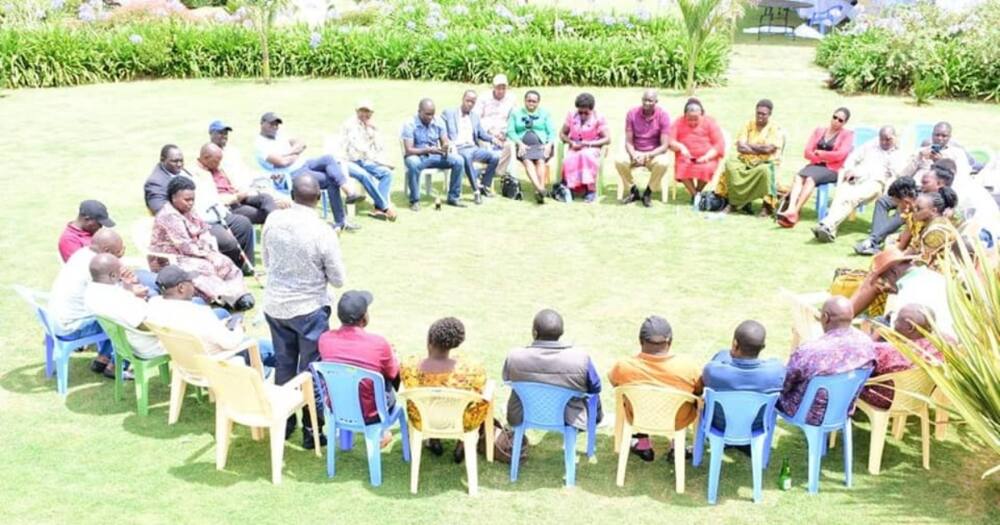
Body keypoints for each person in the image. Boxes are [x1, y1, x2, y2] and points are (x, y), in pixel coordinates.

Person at [262, 174, 345, 449]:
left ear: (292, 194)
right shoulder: (323, 231)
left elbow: (267, 260)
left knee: (284, 365)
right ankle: (312, 430)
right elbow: (338, 279)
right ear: (319, 197)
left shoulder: (273, 220)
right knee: (312, 371)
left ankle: (284, 422)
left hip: (275, 305)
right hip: (308, 309)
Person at [144, 144, 256, 273]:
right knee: (227, 242)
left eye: (181, 160)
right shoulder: (156, 182)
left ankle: (243, 267)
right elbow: (161, 210)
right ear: (162, 159)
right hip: (188, 225)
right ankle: (224, 269)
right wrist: (194, 218)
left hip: (210, 212)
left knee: (242, 224)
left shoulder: (184, 172)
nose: (179, 164)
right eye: (175, 161)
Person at [149, 176, 253, 311]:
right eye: (186, 200)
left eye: (192, 199)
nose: (190, 203)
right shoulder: (169, 215)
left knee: (224, 262)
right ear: (173, 198)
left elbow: (203, 229)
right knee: (205, 267)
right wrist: (207, 253)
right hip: (171, 257)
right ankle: (222, 298)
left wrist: (207, 246)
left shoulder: (189, 210)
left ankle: (239, 293)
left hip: (195, 251)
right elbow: (184, 245)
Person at [608, 315, 702, 461]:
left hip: (639, 417)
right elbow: (698, 391)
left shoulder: (623, 366)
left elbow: (614, 383)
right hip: (677, 420)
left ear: (640, 341)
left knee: (632, 398)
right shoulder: (688, 366)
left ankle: (643, 445)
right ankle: (677, 447)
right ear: (670, 341)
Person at [254, 112, 364, 232]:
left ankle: (349, 193)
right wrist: (295, 153)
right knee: (331, 181)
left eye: (276, 124)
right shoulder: (260, 144)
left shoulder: (279, 134)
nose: (275, 127)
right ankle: (341, 219)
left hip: (303, 164)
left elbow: (302, 143)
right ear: (262, 124)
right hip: (291, 174)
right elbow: (282, 163)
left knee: (328, 158)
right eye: (271, 124)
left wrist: (289, 154)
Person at [400, 316, 488, 462]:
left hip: (423, 419)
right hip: (461, 422)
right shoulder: (471, 369)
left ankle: (433, 439)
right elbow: (480, 392)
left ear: (429, 340)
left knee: (429, 400)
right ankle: (462, 443)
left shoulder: (410, 366)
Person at [318, 290, 397, 449]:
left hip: (338, 407)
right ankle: (384, 429)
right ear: (364, 318)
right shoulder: (379, 343)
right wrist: (391, 355)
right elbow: (393, 373)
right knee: (389, 376)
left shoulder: (325, 339)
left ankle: (346, 437)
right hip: (371, 413)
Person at [145, 266, 274, 364]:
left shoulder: (153, 305)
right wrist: (239, 328)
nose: (194, 285)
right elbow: (230, 343)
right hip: (215, 362)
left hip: (186, 362)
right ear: (181, 288)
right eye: (190, 281)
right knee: (268, 348)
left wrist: (221, 325)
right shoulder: (200, 313)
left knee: (223, 317)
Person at [779, 296, 875, 425]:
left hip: (805, 414)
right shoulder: (867, 344)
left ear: (825, 317)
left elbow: (784, 384)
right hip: (841, 410)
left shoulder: (810, 351)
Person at [502, 309, 603, 430]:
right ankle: (596, 419)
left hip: (524, 413)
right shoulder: (580, 359)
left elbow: (507, 379)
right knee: (592, 392)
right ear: (562, 332)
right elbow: (595, 387)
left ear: (534, 332)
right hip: (568, 418)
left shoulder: (514, 357)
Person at [49, 229, 128, 377]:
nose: (120, 256)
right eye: (118, 252)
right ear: (106, 250)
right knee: (125, 320)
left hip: (58, 319)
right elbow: (115, 299)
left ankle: (103, 359)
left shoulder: (82, 254)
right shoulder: (96, 268)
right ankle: (117, 367)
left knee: (108, 315)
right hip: (73, 328)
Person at [812, 125, 908, 242]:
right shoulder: (872, 144)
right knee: (841, 194)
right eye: (882, 139)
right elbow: (853, 157)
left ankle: (827, 225)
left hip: (876, 182)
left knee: (852, 198)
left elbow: (897, 175)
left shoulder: (900, 153)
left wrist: (887, 191)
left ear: (895, 138)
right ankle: (829, 229)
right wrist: (849, 169)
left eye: (888, 139)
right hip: (858, 176)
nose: (884, 142)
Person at [849, 246, 955, 338]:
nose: (887, 285)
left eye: (885, 279)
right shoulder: (935, 276)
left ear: (894, 272)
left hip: (931, 341)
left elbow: (897, 329)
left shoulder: (908, 292)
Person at [702, 320, 787, 433]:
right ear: (763, 347)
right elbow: (775, 363)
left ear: (735, 343)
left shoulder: (713, 370)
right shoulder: (777, 372)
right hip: (755, 427)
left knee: (723, 354)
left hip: (719, 426)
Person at [778, 107, 855, 228]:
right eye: (834, 117)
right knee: (798, 177)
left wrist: (822, 154)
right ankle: (791, 207)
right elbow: (807, 151)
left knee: (810, 179)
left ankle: (795, 211)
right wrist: (820, 157)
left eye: (840, 120)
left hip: (832, 169)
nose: (836, 121)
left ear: (845, 123)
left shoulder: (847, 135)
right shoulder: (819, 131)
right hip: (815, 165)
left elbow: (841, 155)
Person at [859, 305, 943, 409]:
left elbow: (861, 360)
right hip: (919, 397)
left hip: (885, 399)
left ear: (910, 327)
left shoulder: (886, 350)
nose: (893, 323)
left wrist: (874, 337)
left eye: (898, 320)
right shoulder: (941, 347)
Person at [84, 253, 163, 359]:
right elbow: (145, 325)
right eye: (120, 271)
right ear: (112, 275)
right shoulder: (119, 300)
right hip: (147, 346)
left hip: (125, 343)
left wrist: (128, 288)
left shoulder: (92, 291)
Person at [718, 99, 783, 215]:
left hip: (765, 162)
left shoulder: (775, 128)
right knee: (731, 166)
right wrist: (760, 148)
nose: (760, 116)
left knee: (765, 171)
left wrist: (749, 146)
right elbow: (740, 147)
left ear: (770, 115)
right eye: (758, 113)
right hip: (745, 160)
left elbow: (769, 150)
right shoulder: (748, 125)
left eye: (764, 114)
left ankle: (766, 207)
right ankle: (734, 202)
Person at [194, 142, 282, 226]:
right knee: (261, 213)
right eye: (216, 161)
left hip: (240, 196)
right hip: (228, 206)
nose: (219, 164)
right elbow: (212, 200)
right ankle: (278, 225)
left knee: (266, 198)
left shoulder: (218, 168)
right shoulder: (196, 174)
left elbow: (237, 182)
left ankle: (277, 221)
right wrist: (235, 197)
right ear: (206, 158)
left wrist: (243, 191)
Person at [402, 98, 466, 211]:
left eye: (432, 114)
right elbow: (409, 150)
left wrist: (445, 146)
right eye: (427, 114)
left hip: (435, 155)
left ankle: (453, 197)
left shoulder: (438, 121)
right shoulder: (410, 124)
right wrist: (427, 150)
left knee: (459, 160)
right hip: (418, 156)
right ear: (419, 111)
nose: (430, 117)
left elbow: (445, 140)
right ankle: (415, 201)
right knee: (413, 162)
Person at [340, 99, 397, 221]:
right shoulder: (350, 125)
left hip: (365, 161)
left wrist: (375, 130)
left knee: (387, 173)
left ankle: (378, 209)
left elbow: (379, 147)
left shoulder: (370, 125)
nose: (365, 114)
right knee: (365, 175)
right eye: (362, 111)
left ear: (372, 113)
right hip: (348, 161)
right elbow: (361, 148)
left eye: (368, 111)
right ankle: (385, 207)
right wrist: (383, 162)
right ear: (356, 111)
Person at [443, 90, 501, 205]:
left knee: (495, 156)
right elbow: (442, 131)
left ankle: (485, 185)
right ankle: (476, 191)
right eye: (468, 101)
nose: (469, 104)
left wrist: (493, 139)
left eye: (472, 102)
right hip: (458, 148)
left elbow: (481, 133)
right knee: (467, 156)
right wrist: (447, 142)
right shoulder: (449, 113)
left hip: (473, 147)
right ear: (463, 99)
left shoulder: (474, 116)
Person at [615, 89, 672, 208]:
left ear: (656, 101)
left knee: (663, 163)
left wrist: (649, 155)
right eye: (644, 100)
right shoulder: (632, 113)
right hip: (635, 152)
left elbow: (664, 145)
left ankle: (648, 193)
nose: (647, 103)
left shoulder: (663, 115)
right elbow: (628, 141)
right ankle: (633, 190)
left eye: (650, 100)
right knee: (619, 160)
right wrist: (634, 154)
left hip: (653, 153)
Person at [668, 98, 725, 201]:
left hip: (707, 156)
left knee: (706, 168)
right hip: (686, 156)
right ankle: (695, 195)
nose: (693, 122)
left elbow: (719, 144)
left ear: (701, 115)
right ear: (685, 115)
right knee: (682, 166)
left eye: (696, 119)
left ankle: (698, 191)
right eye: (690, 119)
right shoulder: (678, 122)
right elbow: (670, 140)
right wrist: (681, 147)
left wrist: (706, 157)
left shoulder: (710, 122)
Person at [558, 92, 610, 203]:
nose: (582, 115)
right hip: (575, 146)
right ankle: (571, 187)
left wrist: (587, 144)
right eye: (580, 112)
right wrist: (571, 142)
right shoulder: (571, 115)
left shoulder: (599, 117)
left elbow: (607, 139)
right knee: (569, 158)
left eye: (586, 113)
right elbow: (562, 134)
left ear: (592, 109)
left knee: (585, 155)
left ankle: (590, 189)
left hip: (592, 146)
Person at [508, 90, 556, 204]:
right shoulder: (516, 113)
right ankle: (540, 189)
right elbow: (510, 131)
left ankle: (539, 189)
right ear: (525, 101)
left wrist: (548, 145)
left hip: (541, 145)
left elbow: (552, 132)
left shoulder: (545, 113)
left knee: (540, 160)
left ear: (538, 102)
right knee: (527, 161)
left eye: (534, 101)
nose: (531, 103)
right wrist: (519, 143)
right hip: (523, 146)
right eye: (529, 101)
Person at [902, 189, 960, 270]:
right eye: (914, 207)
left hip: (937, 273)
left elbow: (922, 262)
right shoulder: (928, 222)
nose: (914, 211)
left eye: (919, 209)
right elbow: (915, 247)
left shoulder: (937, 231)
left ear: (933, 211)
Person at [475, 74, 515, 183]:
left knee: (511, 146)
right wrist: (490, 131)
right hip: (486, 131)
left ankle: (495, 171)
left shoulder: (511, 98)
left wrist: (504, 133)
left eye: (503, 88)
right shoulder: (484, 97)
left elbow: (512, 119)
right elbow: (476, 118)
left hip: (503, 131)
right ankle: (491, 170)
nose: (501, 90)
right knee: (485, 144)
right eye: (498, 87)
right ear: (493, 87)